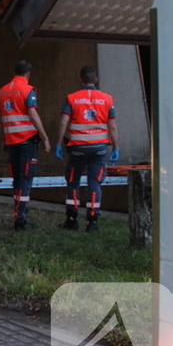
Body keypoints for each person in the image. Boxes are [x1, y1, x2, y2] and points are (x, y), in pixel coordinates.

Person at [53, 66, 120, 232]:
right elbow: (112, 126)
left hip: (78, 148)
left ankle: (72, 219)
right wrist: (116, 147)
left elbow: (63, 122)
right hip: (99, 149)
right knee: (95, 183)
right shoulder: (107, 99)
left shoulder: (72, 98)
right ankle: (93, 222)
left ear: (80, 80)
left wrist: (58, 143)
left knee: (73, 182)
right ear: (95, 80)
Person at [0, 61, 51, 231]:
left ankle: (18, 216)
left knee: (17, 180)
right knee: (26, 180)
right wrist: (44, 136)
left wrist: (4, 139)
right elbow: (33, 115)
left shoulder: (2, 91)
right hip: (27, 142)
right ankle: (21, 220)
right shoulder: (28, 90)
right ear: (28, 74)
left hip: (12, 143)